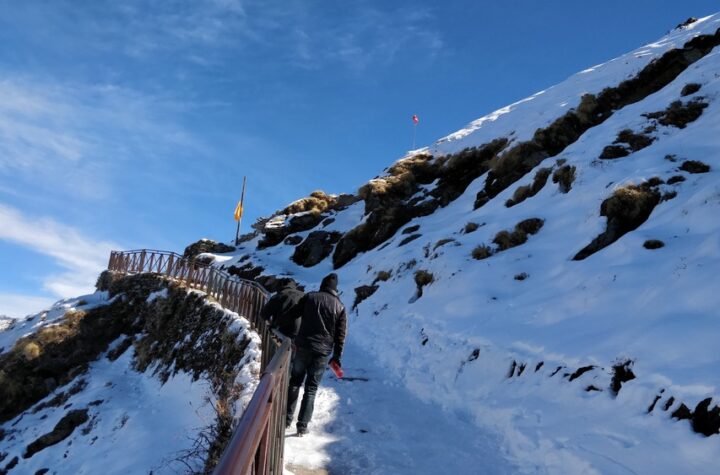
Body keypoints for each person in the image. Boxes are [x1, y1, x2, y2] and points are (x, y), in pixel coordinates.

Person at [286, 272, 347, 435]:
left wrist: (294, 335)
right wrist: (337, 357)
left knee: (295, 381)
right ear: (335, 289)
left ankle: (286, 418)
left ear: (322, 285)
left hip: (303, 346)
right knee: (311, 388)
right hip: (322, 352)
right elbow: (340, 336)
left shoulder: (310, 297)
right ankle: (302, 425)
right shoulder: (340, 307)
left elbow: (293, 314)